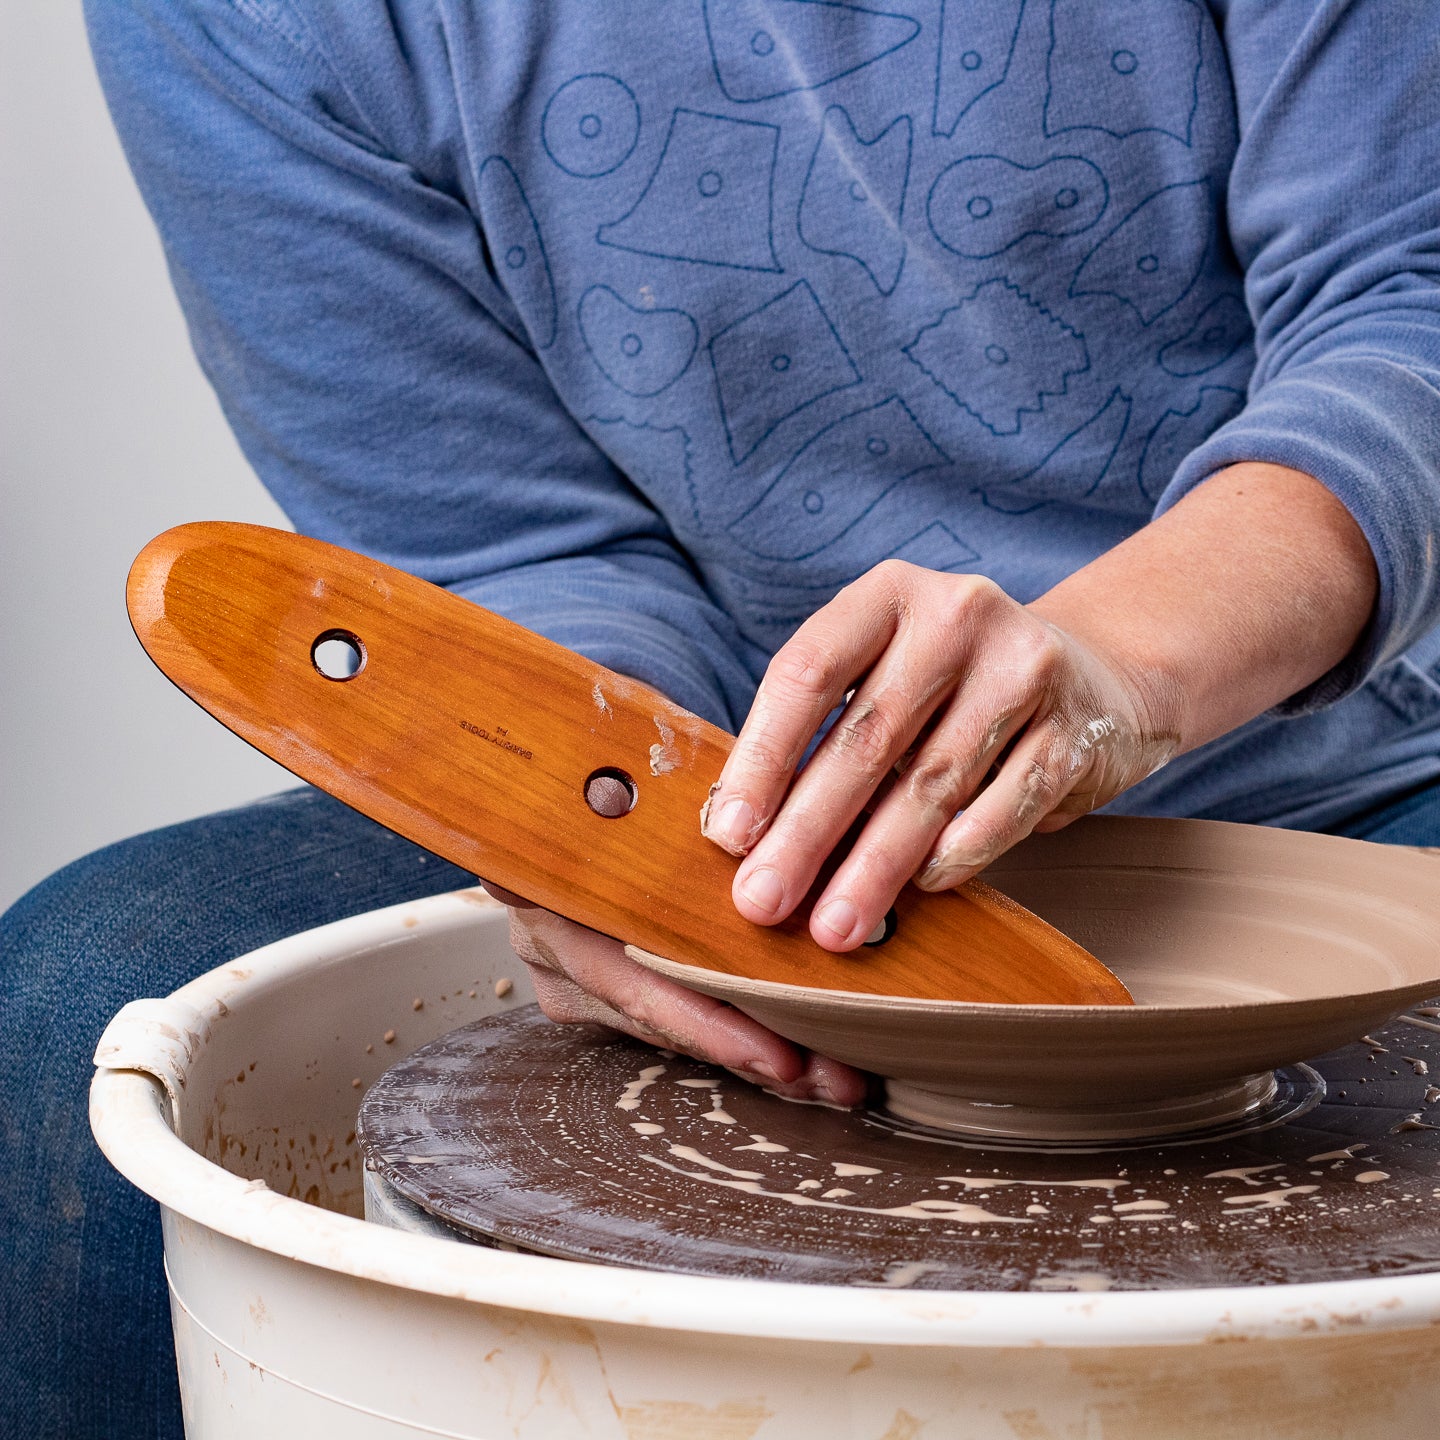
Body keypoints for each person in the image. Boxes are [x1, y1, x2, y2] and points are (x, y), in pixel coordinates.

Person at [5, 0, 1440, 1433]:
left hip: (1342, 747)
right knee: (74, 997)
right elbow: (512, 538)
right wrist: (584, 832)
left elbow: (1406, 299)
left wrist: (1116, 663)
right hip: (727, 819)